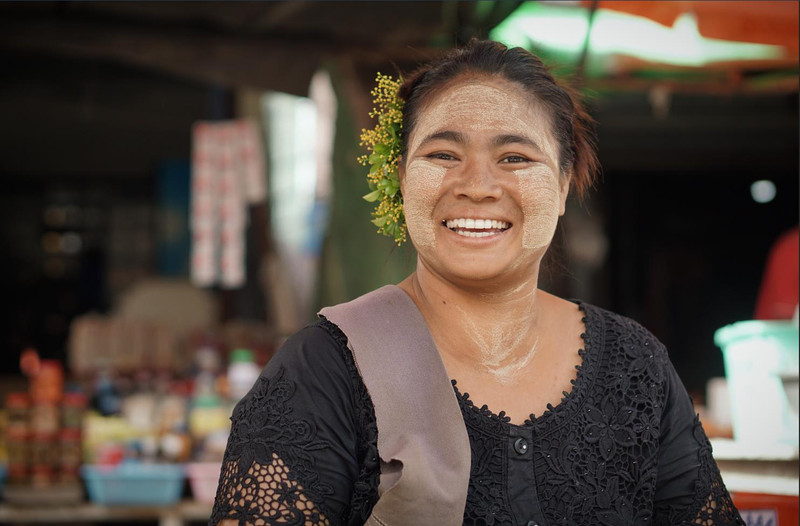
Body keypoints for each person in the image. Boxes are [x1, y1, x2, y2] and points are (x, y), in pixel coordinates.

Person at [210, 40, 743, 526]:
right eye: (443, 155)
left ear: (561, 187)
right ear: (400, 179)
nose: (478, 186)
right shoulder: (324, 370)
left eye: (515, 158)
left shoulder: (634, 365)